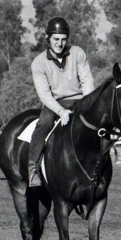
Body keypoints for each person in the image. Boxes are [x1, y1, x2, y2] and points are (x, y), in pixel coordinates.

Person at [27, 16, 95, 188]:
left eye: (64, 39)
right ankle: (32, 169)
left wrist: (87, 104)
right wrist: (61, 112)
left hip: (79, 100)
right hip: (55, 104)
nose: (60, 43)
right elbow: (44, 94)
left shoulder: (78, 53)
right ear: (48, 38)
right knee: (43, 124)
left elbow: (87, 81)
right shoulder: (39, 63)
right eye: (56, 39)